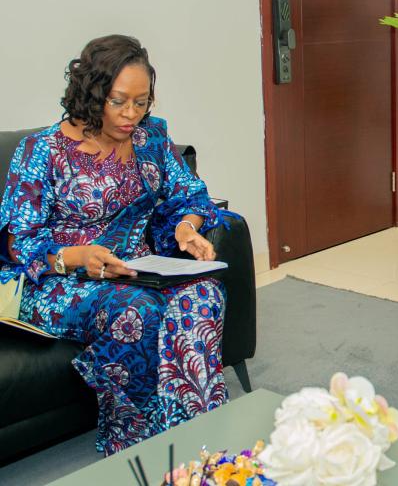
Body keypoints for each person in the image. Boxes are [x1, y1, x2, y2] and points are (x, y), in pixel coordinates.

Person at [0, 35, 234, 456]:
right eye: (118, 101)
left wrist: (186, 228)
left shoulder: (151, 139)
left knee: (203, 294)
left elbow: (191, 194)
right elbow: (21, 242)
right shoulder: (42, 152)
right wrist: (78, 257)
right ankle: (136, 445)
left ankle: (198, 437)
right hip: (59, 282)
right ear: (92, 94)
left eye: (141, 102)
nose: (131, 114)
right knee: (135, 311)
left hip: (136, 269)